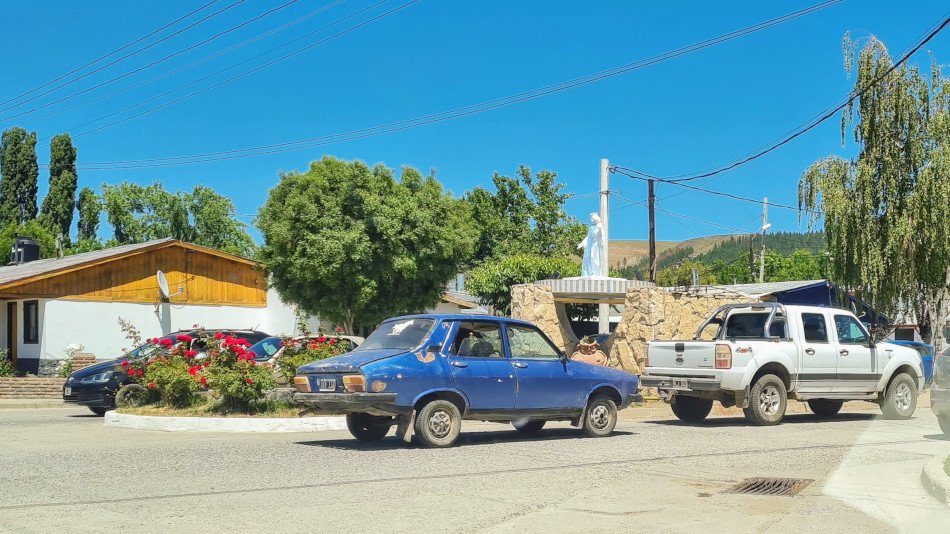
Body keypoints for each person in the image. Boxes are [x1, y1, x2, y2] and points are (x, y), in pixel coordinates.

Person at [577, 213, 606, 277]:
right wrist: (582, 243)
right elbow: (588, 237)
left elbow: (602, 232)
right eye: (591, 219)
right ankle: (590, 272)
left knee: (596, 259)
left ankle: (596, 272)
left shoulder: (599, 225)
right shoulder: (591, 228)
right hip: (592, 246)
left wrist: (603, 238)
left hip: (597, 246)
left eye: (593, 219)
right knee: (589, 258)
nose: (592, 220)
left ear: (596, 219)